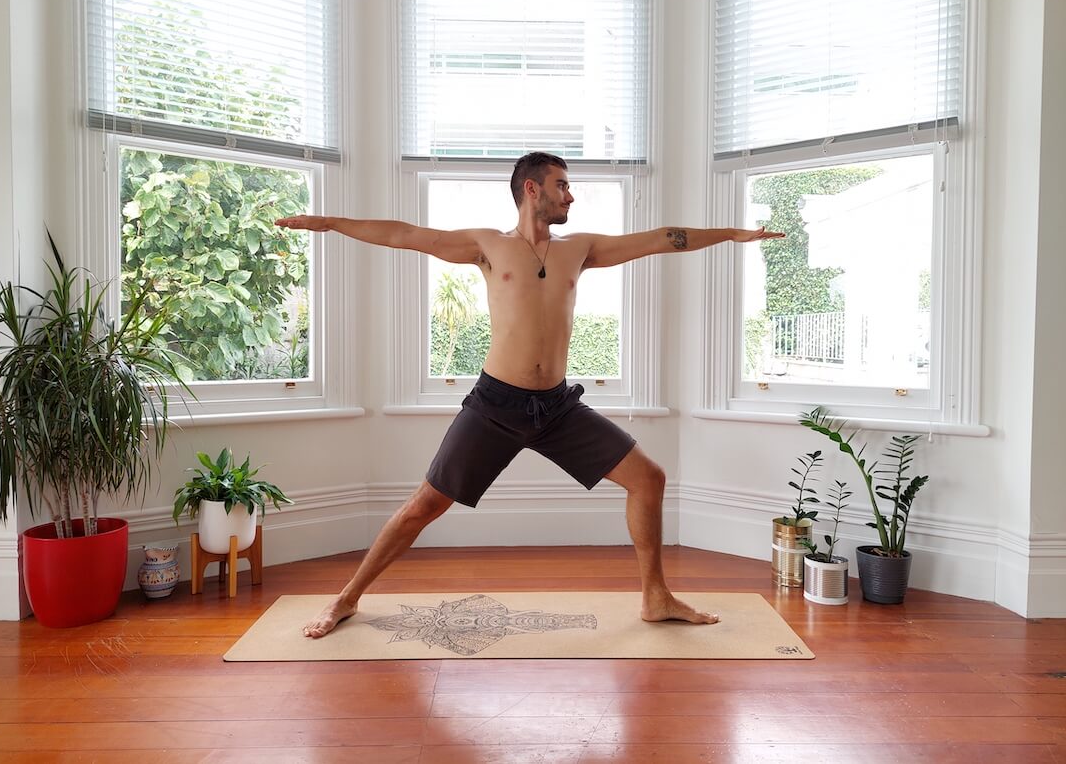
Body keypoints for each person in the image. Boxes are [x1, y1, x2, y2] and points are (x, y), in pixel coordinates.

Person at [276, 151, 783, 638]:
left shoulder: (577, 250)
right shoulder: (487, 245)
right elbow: (406, 235)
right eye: (563, 185)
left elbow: (661, 239)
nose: (571, 196)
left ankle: (656, 597)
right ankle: (346, 598)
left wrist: (733, 235)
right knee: (422, 507)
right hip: (496, 405)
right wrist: (330, 223)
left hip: (559, 408)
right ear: (532, 188)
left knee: (648, 479)